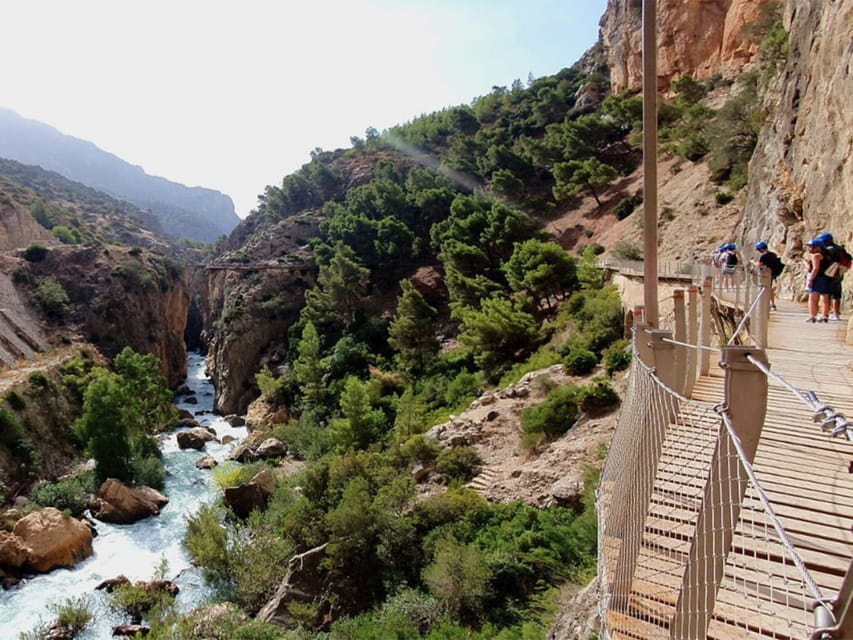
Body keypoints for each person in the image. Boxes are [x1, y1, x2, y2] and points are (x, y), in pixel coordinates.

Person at [816, 232, 846, 321]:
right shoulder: (840, 248)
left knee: (825, 294)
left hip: (828, 274)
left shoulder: (828, 250)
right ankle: (836, 314)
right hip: (838, 273)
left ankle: (825, 314)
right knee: (836, 294)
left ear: (827, 241)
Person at [805, 237, 832, 323]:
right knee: (825, 298)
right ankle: (825, 316)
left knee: (813, 298)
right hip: (827, 278)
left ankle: (813, 316)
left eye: (810, 246)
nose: (809, 248)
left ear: (817, 247)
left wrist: (811, 280)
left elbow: (815, 269)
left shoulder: (816, 256)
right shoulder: (827, 255)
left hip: (818, 278)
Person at [753, 241, 783, 310]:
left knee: (763, 289)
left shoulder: (764, 256)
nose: (759, 251)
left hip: (765, 275)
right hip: (772, 274)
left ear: (761, 249)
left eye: (759, 250)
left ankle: (764, 305)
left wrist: (753, 262)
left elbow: (759, 265)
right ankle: (772, 304)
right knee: (770, 289)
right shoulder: (773, 254)